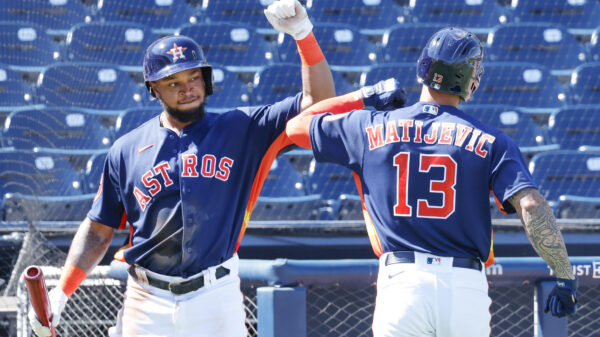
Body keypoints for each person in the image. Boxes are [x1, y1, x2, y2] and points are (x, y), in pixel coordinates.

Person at [28, 0, 335, 336]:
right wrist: (63, 291)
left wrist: (304, 35)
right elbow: (99, 230)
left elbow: (318, 106)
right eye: (173, 82)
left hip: (216, 295)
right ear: (153, 89)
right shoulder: (126, 150)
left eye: (194, 76)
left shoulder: (242, 128)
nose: (188, 87)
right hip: (147, 299)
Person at [285, 27, 577, 336]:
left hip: (402, 284)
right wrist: (563, 275)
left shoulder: (370, 126)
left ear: (424, 66)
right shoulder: (493, 140)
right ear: (470, 80)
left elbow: (296, 127)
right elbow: (531, 203)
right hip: (465, 287)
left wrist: (364, 96)